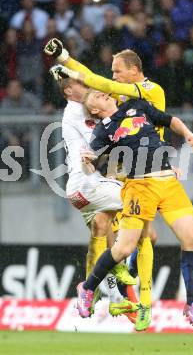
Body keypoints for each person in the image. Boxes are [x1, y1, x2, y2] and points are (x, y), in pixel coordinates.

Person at [50, 64, 193, 331]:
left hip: (167, 182)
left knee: (191, 239)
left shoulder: (137, 107)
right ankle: (91, 288)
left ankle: (191, 304)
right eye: (97, 96)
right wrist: (88, 162)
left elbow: (169, 120)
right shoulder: (103, 131)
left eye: (103, 91)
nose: (103, 92)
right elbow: (94, 164)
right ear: (94, 110)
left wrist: (188, 134)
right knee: (124, 247)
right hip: (139, 188)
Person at [54, 75, 138, 320]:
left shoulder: (81, 110)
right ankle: (115, 270)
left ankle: (113, 298)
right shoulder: (75, 113)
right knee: (140, 202)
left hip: (83, 188)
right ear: (69, 90)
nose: (89, 88)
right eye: (82, 85)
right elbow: (104, 140)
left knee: (103, 225)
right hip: (87, 185)